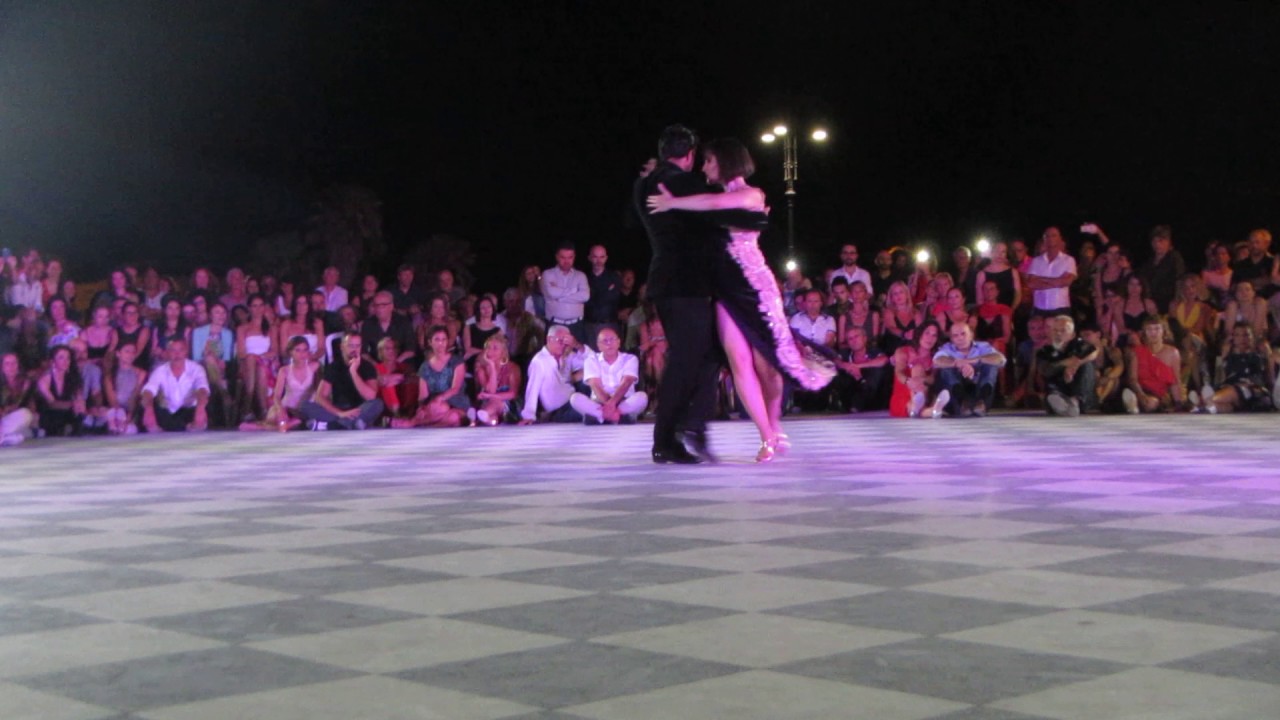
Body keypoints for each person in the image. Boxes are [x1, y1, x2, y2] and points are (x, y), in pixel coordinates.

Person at [647, 137, 831, 462]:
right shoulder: (714, 195)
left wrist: (673, 202)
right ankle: (766, 436)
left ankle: (774, 427)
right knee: (739, 362)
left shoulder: (751, 194)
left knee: (769, 365)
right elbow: (707, 203)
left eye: (710, 161)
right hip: (723, 289)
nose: (705, 167)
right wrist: (657, 176)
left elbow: (714, 206)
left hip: (753, 285)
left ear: (726, 162)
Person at [299, 332, 383, 430]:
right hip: (337, 409)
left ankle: (331, 425)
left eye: (357, 346)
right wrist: (340, 413)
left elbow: (370, 396)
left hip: (360, 409)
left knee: (377, 403)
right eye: (351, 345)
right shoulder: (333, 367)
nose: (354, 349)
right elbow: (320, 396)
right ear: (342, 347)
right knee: (304, 405)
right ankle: (349, 423)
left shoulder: (368, 367)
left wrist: (353, 372)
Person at [392, 325, 470, 428]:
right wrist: (421, 408)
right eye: (437, 340)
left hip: (455, 400)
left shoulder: (457, 361)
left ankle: (416, 423)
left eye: (443, 340)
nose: (440, 344)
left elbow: (455, 388)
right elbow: (423, 394)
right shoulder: (425, 367)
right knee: (443, 410)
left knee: (453, 416)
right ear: (430, 342)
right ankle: (433, 422)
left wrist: (441, 398)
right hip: (435, 404)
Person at [569, 327, 647, 424]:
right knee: (575, 399)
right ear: (598, 345)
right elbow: (595, 385)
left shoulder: (630, 359)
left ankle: (601, 417)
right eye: (605, 341)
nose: (609, 343)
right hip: (599, 402)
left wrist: (612, 404)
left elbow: (626, 383)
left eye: (612, 340)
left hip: (624, 401)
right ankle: (618, 417)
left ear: (618, 342)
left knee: (642, 397)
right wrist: (609, 405)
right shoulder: (591, 360)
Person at [241, 336, 318, 431]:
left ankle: (263, 427)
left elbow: (319, 390)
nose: (302, 354)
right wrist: (281, 410)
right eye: (297, 350)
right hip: (288, 407)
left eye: (305, 350)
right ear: (291, 352)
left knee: (300, 420)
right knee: (278, 416)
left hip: (304, 409)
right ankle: (282, 425)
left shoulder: (314, 367)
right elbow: (277, 395)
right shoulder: (284, 370)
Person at [932, 322, 1006, 417]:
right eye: (955, 335)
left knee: (991, 366)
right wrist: (958, 363)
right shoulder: (947, 348)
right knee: (945, 370)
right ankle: (962, 402)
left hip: (980, 392)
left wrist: (974, 361)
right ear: (951, 339)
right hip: (957, 395)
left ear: (971, 335)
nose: (960, 338)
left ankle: (981, 402)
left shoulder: (983, 346)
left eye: (963, 334)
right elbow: (937, 361)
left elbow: (1001, 359)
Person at [1201, 323, 1275, 414]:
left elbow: (1270, 378)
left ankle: (1206, 402)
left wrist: (1268, 356)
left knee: (1236, 391)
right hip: (1232, 392)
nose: (1242, 339)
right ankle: (1209, 407)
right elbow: (1218, 380)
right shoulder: (1229, 357)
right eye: (1237, 335)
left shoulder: (1258, 355)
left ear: (1252, 337)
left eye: (1246, 335)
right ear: (1233, 338)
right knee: (1225, 403)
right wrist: (1222, 358)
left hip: (1252, 390)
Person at [139, 338, 210, 432]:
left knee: (204, 408)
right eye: (173, 350)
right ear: (167, 353)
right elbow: (148, 391)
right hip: (167, 413)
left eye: (181, 350)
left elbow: (203, 389)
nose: (177, 354)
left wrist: (200, 408)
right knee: (146, 408)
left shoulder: (196, 369)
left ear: (186, 352)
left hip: (189, 412)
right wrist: (149, 409)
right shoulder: (160, 370)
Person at [518, 325, 583, 425]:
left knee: (591, 380)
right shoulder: (539, 361)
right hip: (559, 411)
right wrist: (528, 415)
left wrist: (576, 346)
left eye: (566, 342)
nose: (563, 345)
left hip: (574, 401)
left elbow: (593, 362)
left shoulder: (566, 355)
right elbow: (532, 388)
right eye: (559, 340)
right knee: (592, 410)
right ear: (549, 339)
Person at [1122, 314, 1187, 414]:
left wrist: (1178, 403)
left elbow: (1175, 381)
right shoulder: (1136, 352)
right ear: (1144, 332)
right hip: (1140, 390)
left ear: (1163, 331)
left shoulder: (1173, 353)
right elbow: (1132, 379)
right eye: (1149, 329)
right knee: (1144, 400)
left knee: (1153, 402)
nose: (1153, 333)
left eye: (1157, 329)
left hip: (1159, 394)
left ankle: (1137, 406)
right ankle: (1133, 403)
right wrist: (1141, 395)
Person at [1036, 315, 1098, 417]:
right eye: (1055, 330)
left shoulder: (1078, 345)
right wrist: (1067, 362)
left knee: (1087, 364)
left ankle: (1075, 402)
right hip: (1059, 389)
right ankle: (1064, 406)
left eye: (1063, 330)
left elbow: (1093, 352)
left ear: (1072, 335)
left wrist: (1076, 364)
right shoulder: (1045, 351)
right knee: (1052, 395)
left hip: (1079, 390)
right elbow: (1045, 370)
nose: (1058, 333)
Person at [889, 321, 947, 419]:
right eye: (927, 333)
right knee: (917, 368)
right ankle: (924, 408)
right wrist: (909, 381)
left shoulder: (936, 357)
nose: (930, 338)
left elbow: (932, 379)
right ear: (919, 334)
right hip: (903, 394)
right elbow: (899, 372)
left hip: (924, 393)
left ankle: (923, 409)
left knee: (920, 374)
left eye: (934, 335)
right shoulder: (903, 351)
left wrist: (922, 380)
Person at [540, 242, 590, 345]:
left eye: (570, 257)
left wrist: (560, 297)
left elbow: (585, 296)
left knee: (578, 358)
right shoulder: (547, 274)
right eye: (563, 257)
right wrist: (574, 291)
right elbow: (552, 293)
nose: (566, 261)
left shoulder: (580, 276)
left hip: (577, 326)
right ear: (557, 257)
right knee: (553, 359)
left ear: (574, 257)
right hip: (554, 324)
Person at [832, 325, 888, 412]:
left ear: (865, 338)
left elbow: (883, 360)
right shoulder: (845, 353)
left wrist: (857, 367)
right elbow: (836, 361)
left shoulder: (874, 351)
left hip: (872, 396)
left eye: (856, 337)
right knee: (839, 374)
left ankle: (857, 406)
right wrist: (846, 366)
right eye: (850, 339)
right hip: (851, 391)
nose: (854, 341)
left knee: (878, 372)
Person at [1024, 226, 1077, 317]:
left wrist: (1040, 279)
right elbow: (1031, 284)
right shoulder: (1036, 261)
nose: (1050, 238)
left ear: (1060, 238)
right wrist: (1057, 281)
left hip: (1060, 308)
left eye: (1054, 235)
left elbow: (1066, 282)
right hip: (1039, 309)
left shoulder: (1068, 260)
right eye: (1047, 236)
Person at [474, 333, 522, 426]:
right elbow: (491, 390)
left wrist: (490, 396)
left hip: (509, 403)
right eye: (488, 347)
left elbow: (513, 394)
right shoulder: (481, 370)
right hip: (488, 401)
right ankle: (492, 419)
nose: (490, 351)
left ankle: (481, 416)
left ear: (503, 352)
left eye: (495, 348)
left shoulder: (512, 368)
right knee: (493, 412)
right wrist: (492, 366)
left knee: (496, 401)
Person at [583, 245, 622, 348]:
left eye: (602, 257)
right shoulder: (584, 277)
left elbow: (613, 298)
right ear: (590, 258)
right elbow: (585, 301)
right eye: (595, 257)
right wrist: (605, 292)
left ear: (606, 258)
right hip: (589, 325)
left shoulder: (614, 277)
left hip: (609, 324)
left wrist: (593, 296)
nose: (598, 260)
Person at [104, 343, 146, 434]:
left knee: (130, 429)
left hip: (132, 410)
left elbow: (136, 396)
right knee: (112, 413)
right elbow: (112, 400)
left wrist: (129, 415)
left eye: (133, 352)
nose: (130, 355)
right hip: (116, 410)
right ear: (118, 354)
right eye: (127, 352)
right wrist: (118, 412)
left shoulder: (141, 373)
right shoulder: (110, 375)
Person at [0, 352, 35, 445]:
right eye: (7, 364)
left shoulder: (25, 383)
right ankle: (6, 437)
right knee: (24, 434)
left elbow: (29, 406)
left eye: (14, 363)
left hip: (11, 419)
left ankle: (5, 437)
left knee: (26, 414)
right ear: (2, 367)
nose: (11, 367)